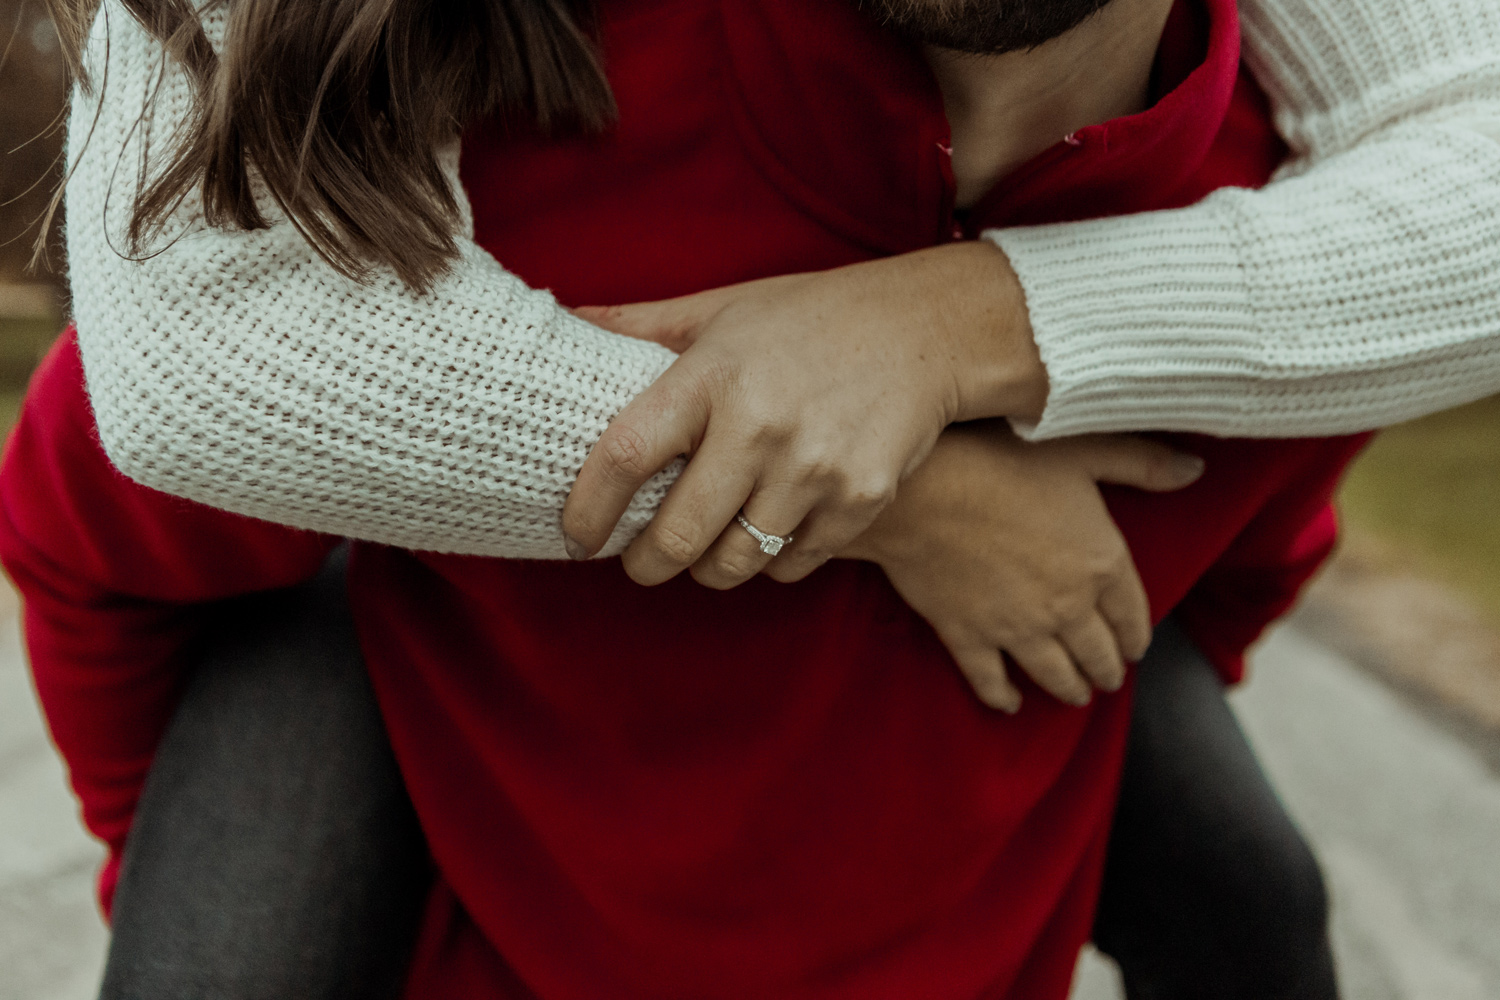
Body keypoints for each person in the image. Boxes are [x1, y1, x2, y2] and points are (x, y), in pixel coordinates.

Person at [4, 0, 1497, 998]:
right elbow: (105, 517)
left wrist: (961, 354)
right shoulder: (437, 162)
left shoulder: (1302, 239)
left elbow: (1201, 586)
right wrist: (233, 921)